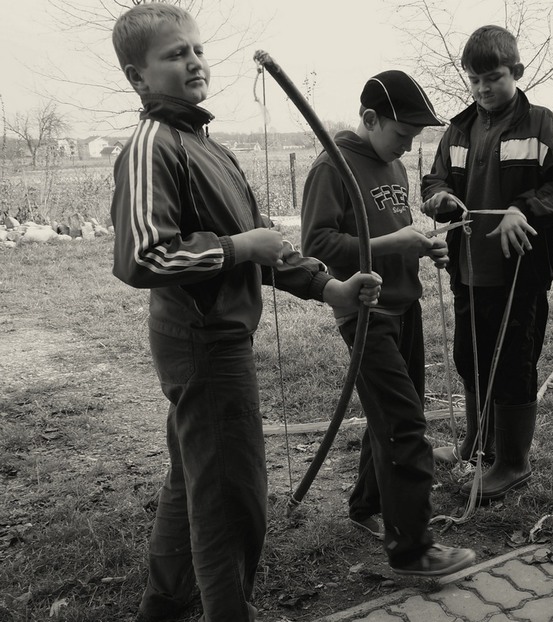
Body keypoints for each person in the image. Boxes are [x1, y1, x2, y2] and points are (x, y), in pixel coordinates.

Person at [110, 4, 381, 620]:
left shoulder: (204, 144)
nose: (195, 61)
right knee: (231, 495)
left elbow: (261, 241)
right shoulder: (154, 144)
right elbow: (141, 257)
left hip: (217, 340)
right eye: (175, 54)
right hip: (203, 345)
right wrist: (236, 249)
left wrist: (329, 287)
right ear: (138, 76)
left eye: (197, 50)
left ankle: (165, 607)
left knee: (194, 483)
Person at [300, 70, 476, 577]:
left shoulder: (393, 167)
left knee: (393, 413)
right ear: (371, 119)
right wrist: (393, 246)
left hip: (406, 307)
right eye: (402, 134)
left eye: (415, 137)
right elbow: (318, 249)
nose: (407, 145)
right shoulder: (331, 168)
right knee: (404, 424)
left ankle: (366, 505)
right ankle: (411, 549)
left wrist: (425, 248)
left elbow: (392, 231)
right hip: (365, 315)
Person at [421, 24, 553, 502]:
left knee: (513, 362)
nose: (482, 88)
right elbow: (432, 180)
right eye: (473, 79)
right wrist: (441, 198)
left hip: (521, 273)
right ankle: (478, 444)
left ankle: (513, 462)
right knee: (469, 356)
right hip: (469, 268)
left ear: (516, 71)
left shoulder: (542, 125)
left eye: (492, 77)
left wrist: (525, 208)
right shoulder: (458, 128)